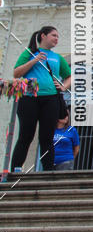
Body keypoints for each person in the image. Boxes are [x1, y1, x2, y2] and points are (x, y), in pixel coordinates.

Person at [11, 26, 71, 172]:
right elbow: (16, 73)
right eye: (53, 35)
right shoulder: (29, 52)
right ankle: (15, 169)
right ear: (43, 36)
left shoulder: (57, 57)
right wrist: (35, 60)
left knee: (47, 137)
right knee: (26, 135)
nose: (56, 38)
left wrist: (63, 86)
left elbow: (69, 75)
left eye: (58, 36)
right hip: (29, 97)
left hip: (50, 99)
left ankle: (48, 170)